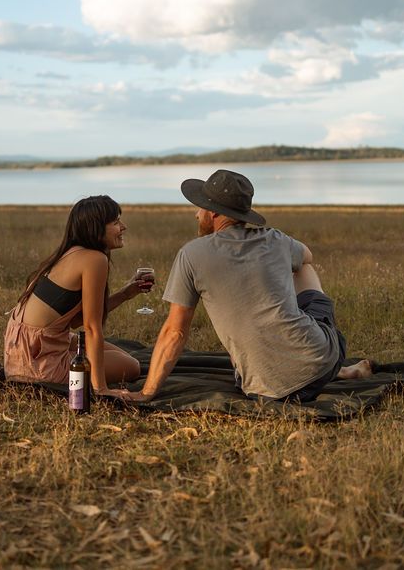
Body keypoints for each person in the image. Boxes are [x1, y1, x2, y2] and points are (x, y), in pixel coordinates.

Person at [119, 169, 371, 403]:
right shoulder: (275, 238)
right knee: (303, 267)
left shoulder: (191, 254)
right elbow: (307, 256)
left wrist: (146, 392)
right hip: (321, 365)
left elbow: (175, 332)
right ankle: (336, 368)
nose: (196, 214)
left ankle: (331, 367)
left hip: (262, 390)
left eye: (200, 207)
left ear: (213, 213)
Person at [3, 195, 152, 393]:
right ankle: (92, 380)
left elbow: (75, 321)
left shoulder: (71, 252)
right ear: (95, 228)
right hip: (39, 365)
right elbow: (91, 327)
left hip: (23, 354)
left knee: (119, 356)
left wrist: (125, 294)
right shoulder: (95, 259)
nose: (123, 227)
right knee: (132, 366)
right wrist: (101, 389)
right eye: (116, 222)